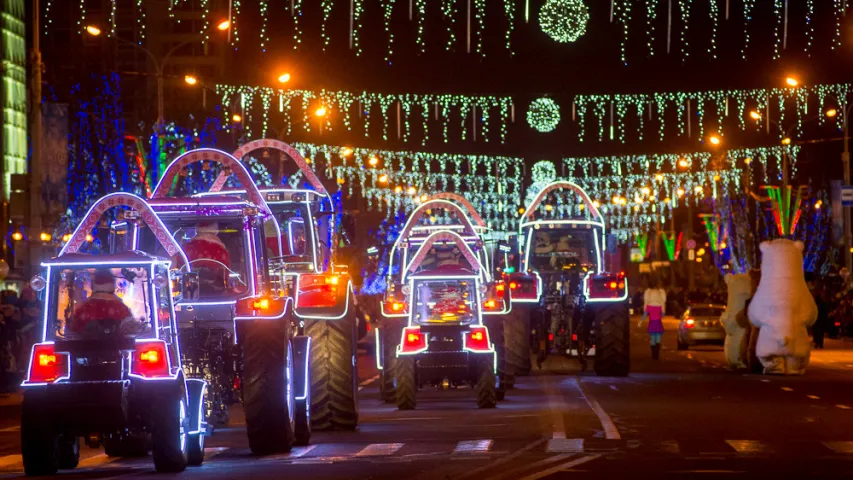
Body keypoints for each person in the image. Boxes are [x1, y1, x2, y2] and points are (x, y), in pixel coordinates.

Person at [68, 270, 146, 339]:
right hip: (117, 351)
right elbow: (131, 331)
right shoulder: (122, 309)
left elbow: (73, 331)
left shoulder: (84, 309)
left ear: (93, 284)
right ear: (113, 284)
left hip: (86, 352)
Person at [638, 280, 667, 360]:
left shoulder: (649, 307)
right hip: (658, 323)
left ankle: (653, 355)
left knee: (652, 339)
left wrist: (641, 321)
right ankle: (657, 355)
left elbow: (645, 314)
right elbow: (663, 314)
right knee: (658, 339)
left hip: (652, 323)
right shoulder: (660, 306)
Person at [813, 284, 830, 349]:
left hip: (817, 320)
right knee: (821, 332)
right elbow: (827, 311)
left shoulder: (816, 305)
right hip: (822, 320)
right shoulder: (824, 304)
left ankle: (817, 343)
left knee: (817, 332)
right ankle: (820, 343)